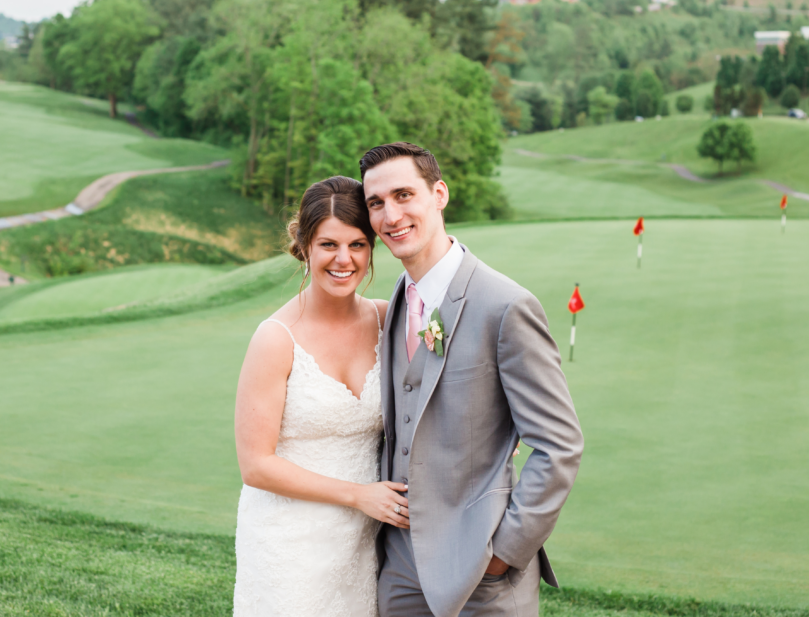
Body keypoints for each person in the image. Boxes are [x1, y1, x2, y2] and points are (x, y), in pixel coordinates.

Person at [361, 142, 585, 617]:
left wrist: (502, 556)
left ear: (439, 194)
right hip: (399, 568)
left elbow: (560, 444)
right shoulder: (397, 299)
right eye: (376, 203)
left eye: (404, 195)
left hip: (481, 577)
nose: (390, 215)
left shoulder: (506, 306)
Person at [233, 176, 410, 616]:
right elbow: (256, 465)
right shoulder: (275, 338)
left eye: (357, 245)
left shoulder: (389, 319)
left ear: (372, 248)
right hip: (288, 541)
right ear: (305, 246)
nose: (344, 259)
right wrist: (359, 495)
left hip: (363, 541)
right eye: (329, 244)